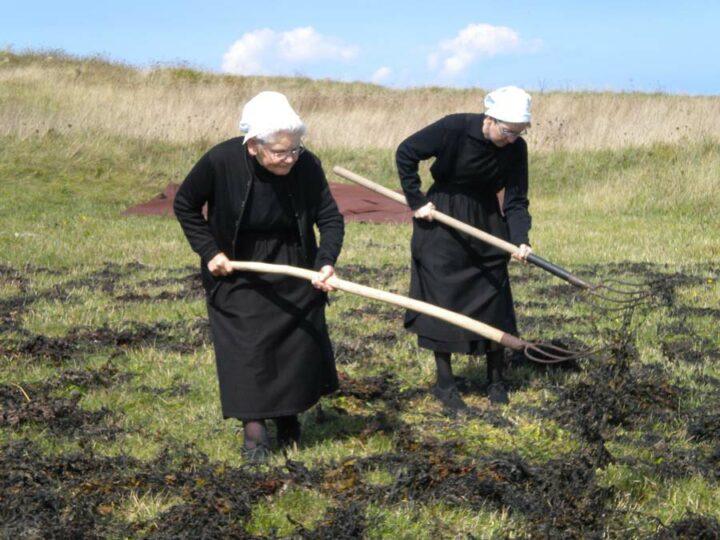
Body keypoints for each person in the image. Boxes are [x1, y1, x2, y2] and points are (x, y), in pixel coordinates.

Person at [174, 91, 344, 462]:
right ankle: (254, 434)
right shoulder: (220, 160)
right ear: (252, 146)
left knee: (295, 344)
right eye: (280, 152)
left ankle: (288, 418)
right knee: (247, 350)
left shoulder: (306, 164)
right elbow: (185, 204)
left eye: (295, 150)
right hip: (237, 266)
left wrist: (325, 262)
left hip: (293, 261)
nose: (290, 159)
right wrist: (210, 252)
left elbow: (329, 218)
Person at [395, 86, 533, 410]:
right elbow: (406, 153)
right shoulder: (454, 128)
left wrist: (520, 239)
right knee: (442, 298)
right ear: (490, 119)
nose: (512, 139)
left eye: (520, 132)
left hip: (486, 221)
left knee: (493, 295)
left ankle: (496, 379)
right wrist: (417, 201)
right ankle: (445, 384)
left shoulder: (516, 148)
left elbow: (515, 200)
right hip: (441, 217)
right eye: (508, 131)